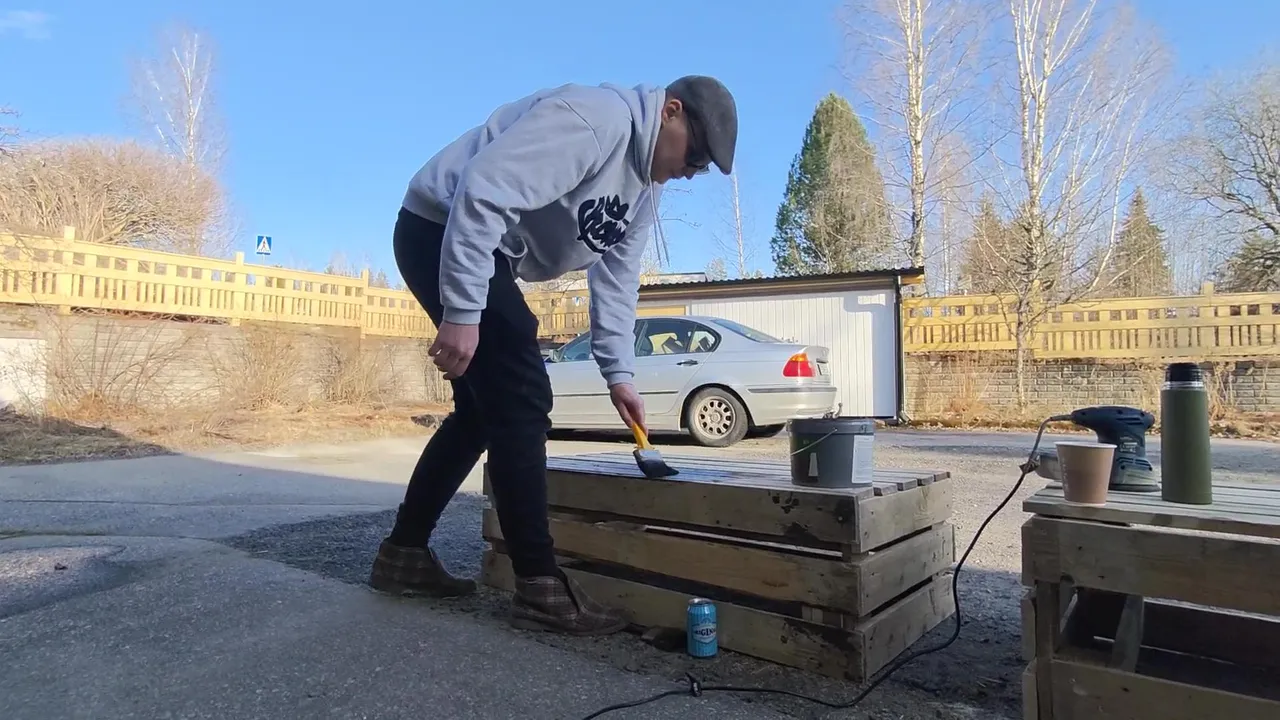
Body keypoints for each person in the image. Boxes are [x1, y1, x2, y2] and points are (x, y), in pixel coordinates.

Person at [368, 76, 738, 635]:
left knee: (481, 413)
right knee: (523, 397)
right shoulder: (596, 119)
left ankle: (404, 554)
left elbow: (617, 279)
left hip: (483, 249)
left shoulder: (645, 187)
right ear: (671, 111)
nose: (694, 169)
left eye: (704, 166)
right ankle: (540, 586)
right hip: (440, 226)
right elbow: (484, 190)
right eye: (697, 152)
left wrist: (620, 375)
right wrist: (463, 312)